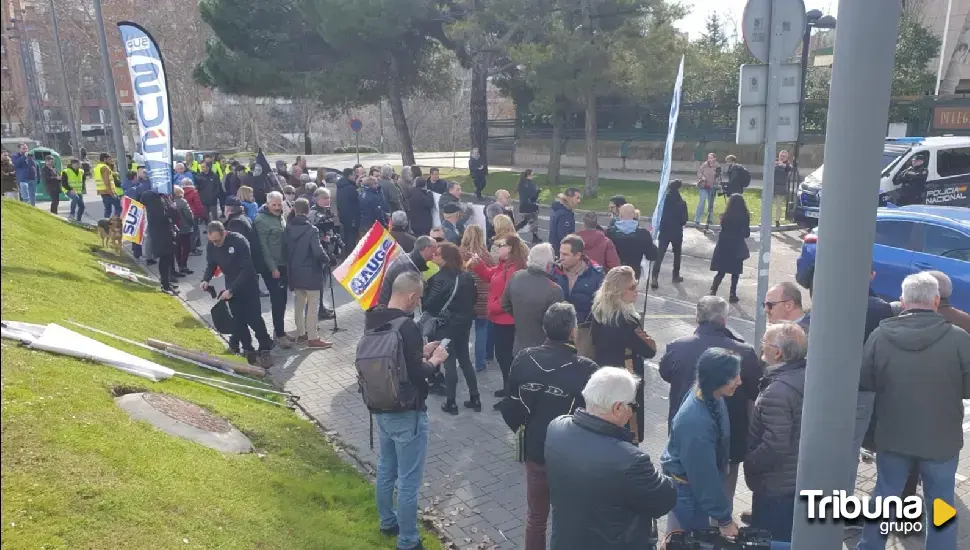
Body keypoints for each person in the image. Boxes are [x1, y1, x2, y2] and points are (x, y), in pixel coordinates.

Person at [856, 272, 970, 550]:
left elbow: (866, 381)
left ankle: (870, 545)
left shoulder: (880, 335)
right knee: (941, 501)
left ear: (903, 301)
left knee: (884, 494)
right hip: (941, 439)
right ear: (935, 300)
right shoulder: (959, 338)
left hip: (893, 435)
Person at [501, 303, 601, 550]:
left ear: (545, 328)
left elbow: (509, 406)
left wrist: (524, 429)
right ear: (572, 332)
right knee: (567, 518)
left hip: (535, 450)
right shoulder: (586, 369)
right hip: (571, 455)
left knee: (536, 517)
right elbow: (596, 418)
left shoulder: (524, 358)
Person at [545, 367, 676, 550]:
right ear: (618, 408)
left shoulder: (555, 428)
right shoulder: (631, 461)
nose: (632, 412)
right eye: (633, 406)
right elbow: (664, 500)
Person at [366, 271, 449, 550]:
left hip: (380, 405)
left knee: (386, 469)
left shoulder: (373, 318)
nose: (418, 304)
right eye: (419, 299)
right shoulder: (408, 327)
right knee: (409, 481)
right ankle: (409, 541)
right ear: (412, 296)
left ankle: (387, 522)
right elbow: (417, 374)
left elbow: (396, 358)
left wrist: (421, 350)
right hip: (407, 411)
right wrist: (435, 360)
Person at [658, 296, 762, 501]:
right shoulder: (744, 351)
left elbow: (665, 374)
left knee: (684, 485)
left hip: (685, 433)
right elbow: (754, 391)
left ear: (697, 317)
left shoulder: (677, 346)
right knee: (724, 486)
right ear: (724, 319)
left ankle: (686, 528)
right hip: (730, 435)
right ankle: (719, 525)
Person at [660, 348, 743, 539]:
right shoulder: (695, 421)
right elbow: (704, 477)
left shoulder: (711, 396)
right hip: (688, 495)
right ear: (716, 379)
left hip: (693, 490)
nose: (739, 381)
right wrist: (725, 520)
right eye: (733, 376)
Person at [745, 322, 808, 542]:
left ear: (778, 352)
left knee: (771, 540)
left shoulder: (778, 391)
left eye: (765, 342)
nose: (762, 346)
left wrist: (751, 461)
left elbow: (775, 444)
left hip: (776, 486)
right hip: (796, 480)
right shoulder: (806, 376)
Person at [589, 266, 656, 443]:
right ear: (619, 291)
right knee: (628, 423)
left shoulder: (598, 312)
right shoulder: (627, 320)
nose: (637, 291)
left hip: (603, 372)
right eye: (632, 287)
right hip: (626, 376)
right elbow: (650, 350)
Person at [201, 221, 274, 369]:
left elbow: (247, 268)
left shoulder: (239, 241)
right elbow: (211, 264)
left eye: (217, 240)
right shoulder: (212, 245)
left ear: (224, 234)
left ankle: (265, 347)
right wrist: (206, 279)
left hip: (247, 284)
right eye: (212, 241)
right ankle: (248, 348)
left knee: (254, 318)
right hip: (231, 284)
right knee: (238, 319)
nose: (215, 244)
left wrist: (232, 290)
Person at [468, 234, 528, 404]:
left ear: (510, 248)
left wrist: (491, 308)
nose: (497, 248)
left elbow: (508, 299)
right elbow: (488, 275)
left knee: (506, 358)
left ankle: (511, 394)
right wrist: (478, 265)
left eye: (500, 245)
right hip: (498, 319)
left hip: (507, 321)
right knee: (502, 357)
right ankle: (507, 387)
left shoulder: (514, 268)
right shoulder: (503, 266)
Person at [423, 242, 479, 414]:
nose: (434, 256)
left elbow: (429, 305)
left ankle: (451, 402)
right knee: (465, 361)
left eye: (438, 254)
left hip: (445, 327)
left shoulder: (437, 279)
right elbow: (474, 299)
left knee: (448, 363)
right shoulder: (467, 277)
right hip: (464, 325)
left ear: (446, 259)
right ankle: (475, 398)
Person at [283, 198, 332, 349]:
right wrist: (328, 259)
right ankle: (313, 338)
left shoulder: (287, 228)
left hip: (294, 272)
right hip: (311, 272)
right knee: (313, 305)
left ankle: (301, 334)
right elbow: (318, 251)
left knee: (299, 304)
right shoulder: (312, 230)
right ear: (308, 210)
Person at [502, 243, 564, 357]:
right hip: (543, 353)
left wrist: (522, 317)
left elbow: (505, 304)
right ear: (548, 265)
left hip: (519, 349)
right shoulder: (554, 289)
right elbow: (557, 327)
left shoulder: (516, 276)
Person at [553, 234, 604, 359]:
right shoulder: (553, 271)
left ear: (578, 255)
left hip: (584, 333)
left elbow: (601, 306)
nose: (561, 258)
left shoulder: (596, 275)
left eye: (565, 254)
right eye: (560, 253)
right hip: (558, 331)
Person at [254, 191, 293, 348]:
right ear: (267, 203)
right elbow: (264, 247)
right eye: (274, 205)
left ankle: (279, 331)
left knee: (283, 299)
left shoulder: (280, 215)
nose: (277, 207)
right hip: (272, 267)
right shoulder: (261, 220)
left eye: (279, 204)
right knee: (277, 300)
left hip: (283, 264)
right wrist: (273, 268)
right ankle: (279, 334)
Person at [459, 225, 494, 373]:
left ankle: (462, 361)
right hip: (483, 297)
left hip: (464, 297)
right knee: (481, 329)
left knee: (462, 332)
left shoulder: (459, 253)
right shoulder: (485, 255)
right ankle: (480, 362)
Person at [378, 236, 439, 308]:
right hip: (391, 310)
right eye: (435, 248)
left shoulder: (407, 259)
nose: (436, 252)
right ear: (427, 248)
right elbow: (404, 299)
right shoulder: (407, 268)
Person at [710, 194, 750, 303]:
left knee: (721, 271)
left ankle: (713, 290)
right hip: (736, 246)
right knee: (735, 272)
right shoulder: (744, 215)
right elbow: (746, 233)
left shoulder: (725, 216)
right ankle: (732, 294)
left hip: (724, 245)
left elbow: (723, 228)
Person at [650, 179, 688, 289]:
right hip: (676, 232)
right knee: (677, 255)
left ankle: (654, 277)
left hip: (665, 231)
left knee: (660, 255)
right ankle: (675, 275)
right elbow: (684, 220)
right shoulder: (682, 203)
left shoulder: (663, 201)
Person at [141, 189, 179, 294]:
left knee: (168, 258)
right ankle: (165, 285)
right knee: (165, 259)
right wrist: (172, 208)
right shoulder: (155, 201)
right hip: (161, 234)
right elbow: (162, 216)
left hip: (165, 232)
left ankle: (166, 281)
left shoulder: (159, 198)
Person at [606, 204, 657, 280]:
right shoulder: (643, 234)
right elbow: (652, 255)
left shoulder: (609, 233)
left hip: (614, 273)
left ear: (620, 215)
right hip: (633, 274)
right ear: (634, 215)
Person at [548, 188, 581, 254]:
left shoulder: (558, 208)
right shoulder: (564, 214)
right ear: (570, 198)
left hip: (555, 249)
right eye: (577, 198)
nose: (579, 201)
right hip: (561, 252)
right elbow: (564, 237)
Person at [172, 186, 195, 275]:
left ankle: (179, 264)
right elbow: (189, 215)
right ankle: (183, 265)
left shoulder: (171, 202)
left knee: (177, 248)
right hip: (185, 228)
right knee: (186, 247)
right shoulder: (183, 202)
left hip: (176, 229)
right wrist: (192, 223)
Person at [336, 167, 361, 250]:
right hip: (352, 217)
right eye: (354, 175)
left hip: (343, 216)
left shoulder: (341, 186)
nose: (355, 177)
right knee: (351, 239)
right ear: (349, 176)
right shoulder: (350, 188)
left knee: (346, 237)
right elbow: (357, 201)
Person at [517, 169, 541, 244]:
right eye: (532, 174)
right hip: (531, 206)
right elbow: (533, 197)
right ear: (530, 175)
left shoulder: (521, 183)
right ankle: (535, 237)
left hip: (523, 206)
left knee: (524, 222)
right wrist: (538, 192)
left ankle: (513, 230)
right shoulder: (531, 184)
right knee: (534, 222)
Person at [695, 152, 719, 225]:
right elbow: (699, 172)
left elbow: (719, 176)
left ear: (715, 158)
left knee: (710, 204)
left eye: (711, 157)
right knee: (701, 202)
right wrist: (702, 177)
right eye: (709, 157)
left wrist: (717, 180)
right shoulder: (705, 164)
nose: (710, 159)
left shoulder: (717, 166)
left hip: (712, 187)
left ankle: (709, 220)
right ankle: (697, 219)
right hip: (704, 186)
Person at [95, 152, 121, 218]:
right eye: (109, 159)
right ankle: (115, 223)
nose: (111, 160)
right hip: (108, 192)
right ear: (104, 159)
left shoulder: (98, 167)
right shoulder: (105, 168)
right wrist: (112, 194)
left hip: (102, 192)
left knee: (108, 210)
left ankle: (105, 225)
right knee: (119, 207)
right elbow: (107, 182)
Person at [772, 150, 792, 226]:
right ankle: (766, 219)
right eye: (781, 155)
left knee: (778, 206)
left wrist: (782, 164)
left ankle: (777, 221)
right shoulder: (774, 162)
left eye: (784, 156)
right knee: (768, 204)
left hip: (781, 188)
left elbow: (790, 169)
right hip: (772, 187)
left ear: (787, 157)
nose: (782, 157)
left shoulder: (787, 165)